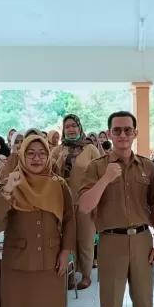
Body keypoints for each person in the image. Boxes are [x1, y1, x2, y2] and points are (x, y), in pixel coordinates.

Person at [78, 111, 154, 307]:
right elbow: (84, 206)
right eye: (117, 131)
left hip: (141, 239)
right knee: (111, 306)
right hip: (111, 241)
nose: (123, 135)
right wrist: (105, 179)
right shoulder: (96, 167)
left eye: (128, 130)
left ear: (135, 134)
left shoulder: (148, 168)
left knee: (144, 304)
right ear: (109, 134)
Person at [0, 135, 76, 307]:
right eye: (31, 153)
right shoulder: (11, 181)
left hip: (51, 262)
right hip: (18, 262)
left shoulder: (58, 184)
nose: (36, 158)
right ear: (22, 155)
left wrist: (65, 252)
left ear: (48, 156)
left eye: (41, 153)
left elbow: (70, 220)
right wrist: (8, 190)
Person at [50, 115, 102, 290]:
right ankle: (70, 275)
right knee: (67, 240)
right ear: (63, 130)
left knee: (86, 238)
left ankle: (86, 275)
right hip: (63, 203)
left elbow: (100, 174)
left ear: (79, 128)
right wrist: (60, 159)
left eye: (74, 126)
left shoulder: (90, 149)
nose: (71, 129)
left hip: (86, 202)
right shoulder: (58, 150)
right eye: (67, 127)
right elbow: (49, 173)